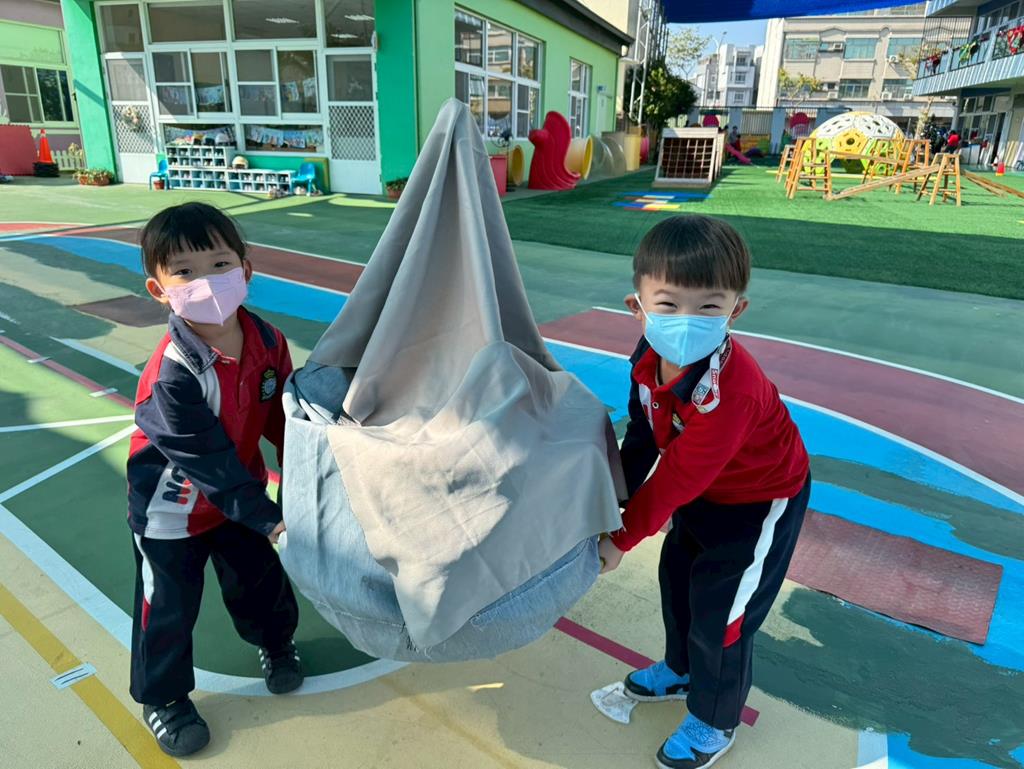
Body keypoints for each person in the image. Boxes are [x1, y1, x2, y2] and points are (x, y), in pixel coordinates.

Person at [598, 215, 811, 769]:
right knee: (678, 581)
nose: (686, 321)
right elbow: (642, 434)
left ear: (735, 310)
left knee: (723, 616)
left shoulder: (731, 391)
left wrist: (619, 539)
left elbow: (678, 477)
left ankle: (715, 720)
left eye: (708, 306)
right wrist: (609, 499)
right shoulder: (648, 359)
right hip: (705, 492)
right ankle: (680, 669)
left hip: (759, 502)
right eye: (668, 305)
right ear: (638, 307)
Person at [127, 202, 302, 757]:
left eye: (219, 263)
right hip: (173, 509)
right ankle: (164, 698)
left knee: (260, 581)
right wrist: (271, 519)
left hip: (239, 492)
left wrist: (309, 485)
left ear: (245, 270)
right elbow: (209, 464)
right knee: (168, 607)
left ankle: (276, 643)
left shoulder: (268, 342)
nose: (206, 281)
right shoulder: (172, 376)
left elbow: (285, 422)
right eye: (184, 271)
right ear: (160, 290)